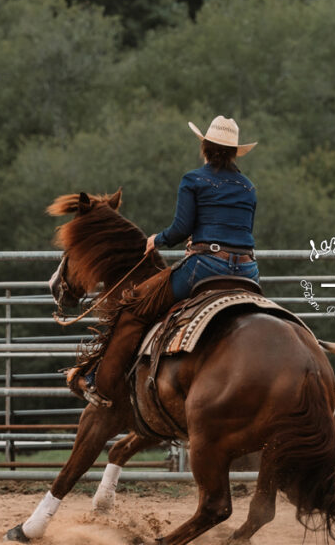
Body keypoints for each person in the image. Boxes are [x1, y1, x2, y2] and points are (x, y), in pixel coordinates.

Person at [69, 116, 260, 406]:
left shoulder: (194, 180)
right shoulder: (248, 187)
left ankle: (98, 379)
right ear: (235, 152)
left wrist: (156, 239)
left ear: (205, 147)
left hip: (205, 267)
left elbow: (181, 229)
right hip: (248, 271)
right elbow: (241, 230)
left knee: (133, 308)